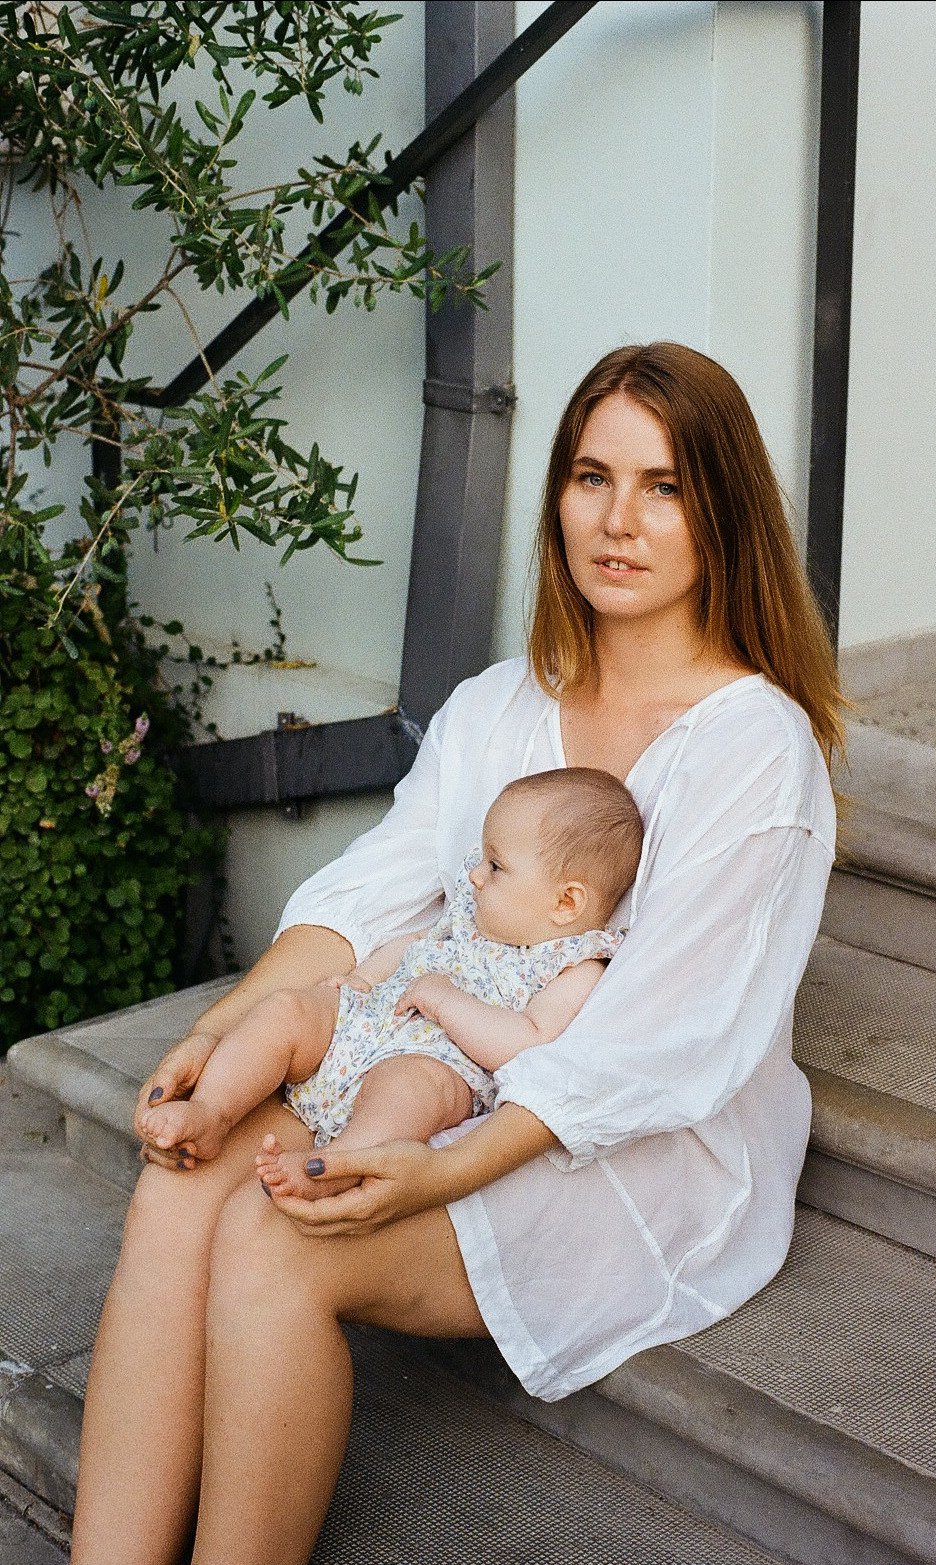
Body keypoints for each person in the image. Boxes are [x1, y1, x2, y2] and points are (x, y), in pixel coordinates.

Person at [70, 342, 842, 1565]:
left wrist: (438, 1171)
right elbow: (365, 897)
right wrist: (218, 1034)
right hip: (433, 1069)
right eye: (591, 477)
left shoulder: (755, 750)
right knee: (183, 1185)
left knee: (278, 1239)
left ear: (723, 513)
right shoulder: (497, 705)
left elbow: (660, 1038)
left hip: (628, 1140)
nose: (618, 520)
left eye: (664, 486)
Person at [136, 768, 642, 1200]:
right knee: (287, 1008)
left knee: (408, 1090)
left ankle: (337, 1165)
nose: (475, 875)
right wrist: (362, 978)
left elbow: (528, 1043)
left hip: (437, 1062)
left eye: (496, 865)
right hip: (365, 1025)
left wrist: (445, 1002)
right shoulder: (473, 915)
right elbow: (413, 944)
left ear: (566, 903)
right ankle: (212, 1111)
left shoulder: (573, 967)